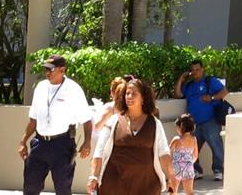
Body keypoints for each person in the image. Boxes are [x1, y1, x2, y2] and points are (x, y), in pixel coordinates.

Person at [21, 55, 92, 195]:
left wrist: (87, 142)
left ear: (62, 70)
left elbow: (87, 120)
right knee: (30, 187)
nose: (47, 73)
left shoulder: (73, 89)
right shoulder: (41, 88)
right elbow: (33, 119)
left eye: (51, 69)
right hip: (39, 143)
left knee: (62, 188)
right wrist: (23, 141)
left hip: (62, 144)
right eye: (45, 69)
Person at [84, 78, 168, 195]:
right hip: (114, 184)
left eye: (134, 94)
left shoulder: (154, 124)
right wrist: (93, 176)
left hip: (146, 184)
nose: (129, 96)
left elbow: (164, 153)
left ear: (143, 98)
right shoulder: (113, 121)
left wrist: (172, 176)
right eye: (127, 93)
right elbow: (99, 151)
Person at [173, 61, 226, 185]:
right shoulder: (190, 85)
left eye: (197, 69)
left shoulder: (210, 81)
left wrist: (212, 98)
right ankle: (197, 171)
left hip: (210, 121)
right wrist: (181, 79)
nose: (195, 72)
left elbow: (224, 92)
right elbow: (177, 94)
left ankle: (218, 170)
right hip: (193, 124)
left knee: (216, 146)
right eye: (193, 70)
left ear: (202, 69)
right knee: (191, 148)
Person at [167, 116, 196, 195]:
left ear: (181, 127)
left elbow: (168, 153)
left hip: (176, 168)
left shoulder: (176, 139)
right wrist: (188, 163)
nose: (176, 130)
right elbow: (195, 155)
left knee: (172, 191)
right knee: (190, 192)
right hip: (189, 168)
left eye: (177, 127)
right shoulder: (194, 139)